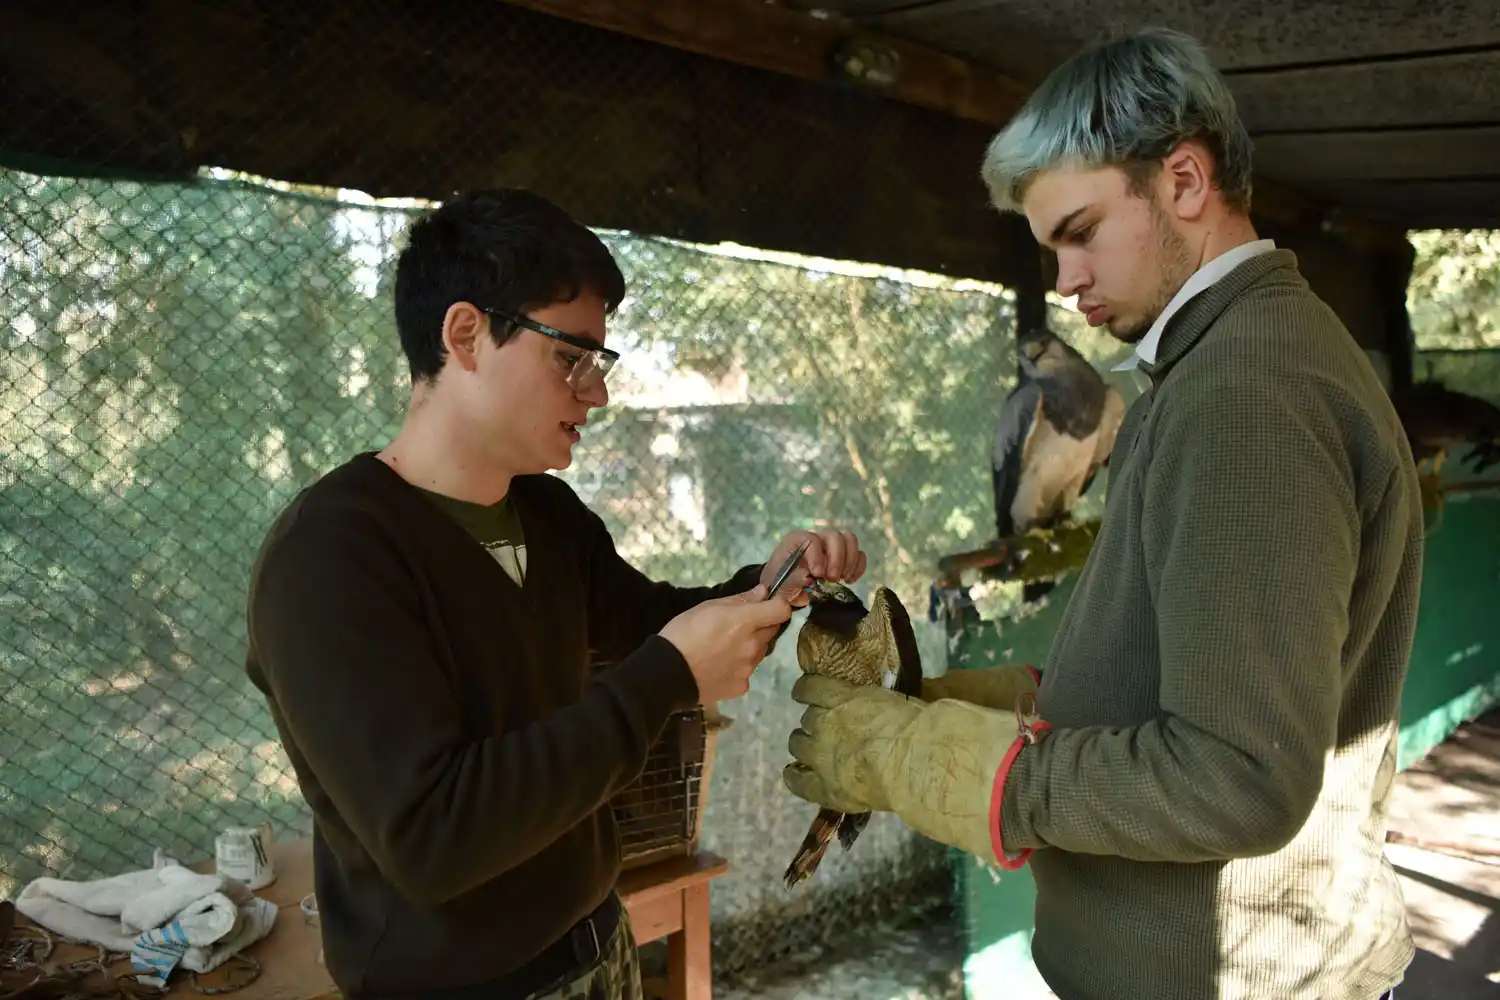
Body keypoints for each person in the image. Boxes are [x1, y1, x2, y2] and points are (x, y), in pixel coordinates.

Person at [783, 27, 1422, 1000]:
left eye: (1080, 231)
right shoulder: (1233, 359)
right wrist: (1018, 701)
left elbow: (1242, 774)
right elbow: (1216, 671)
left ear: (1185, 181)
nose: (1065, 279)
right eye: (1050, 248)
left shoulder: (1246, 392)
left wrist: (951, 765)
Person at [244, 188, 868, 1000]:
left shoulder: (543, 510)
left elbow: (652, 625)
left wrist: (768, 583)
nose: (596, 392)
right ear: (466, 335)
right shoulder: (329, 558)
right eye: (569, 356)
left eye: (598, 362)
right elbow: (435, 839)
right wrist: (669, 676)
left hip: (597, 937)